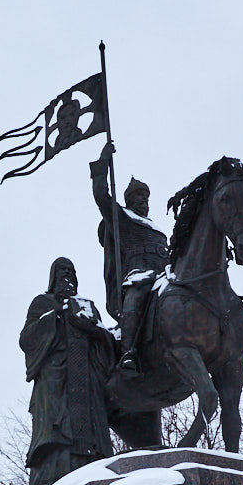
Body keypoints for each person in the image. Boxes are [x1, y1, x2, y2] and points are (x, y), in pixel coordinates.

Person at [19, 258, 115, 485]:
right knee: (58, 435)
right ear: (53, 276)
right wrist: (58, 317)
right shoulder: (42, 303)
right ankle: (50, 482)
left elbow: (107, 343)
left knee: (91, 439)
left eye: (71, 271)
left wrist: (92, 329)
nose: (67, 275)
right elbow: (26, 339)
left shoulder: (87, 307)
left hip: (87, 384)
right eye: (62, 270)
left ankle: (90, 466)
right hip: (56, 382)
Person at [90, 140, 170, 372]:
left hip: (163, 276)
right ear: (129, 201)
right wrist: (103, 163)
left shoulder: (156, 228)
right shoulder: (122, 219)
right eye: (138, 197)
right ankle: (128, 352)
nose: (144, 200)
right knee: (136, 297)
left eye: (146, 196)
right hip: (138, 275)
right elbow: (101, 196)